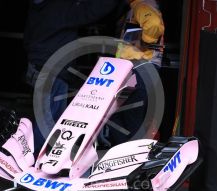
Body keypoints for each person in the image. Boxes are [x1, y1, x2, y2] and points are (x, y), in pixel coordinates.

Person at [23, 0, 129, 153]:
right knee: (48, 123)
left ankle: (37, 158)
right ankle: (34, 161)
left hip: (38, 65)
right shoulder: (59, 6)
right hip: (52, 70)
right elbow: (91, 11)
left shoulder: (39, 6)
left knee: (47, 118)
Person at [108, 0, 165, 145]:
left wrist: (146, 41)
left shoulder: (141, 5)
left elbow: (153, 23)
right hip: (139, 69)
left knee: (129, 118)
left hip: (138, 69)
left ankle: (128, 158)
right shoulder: (138, 7)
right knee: (121, 117)